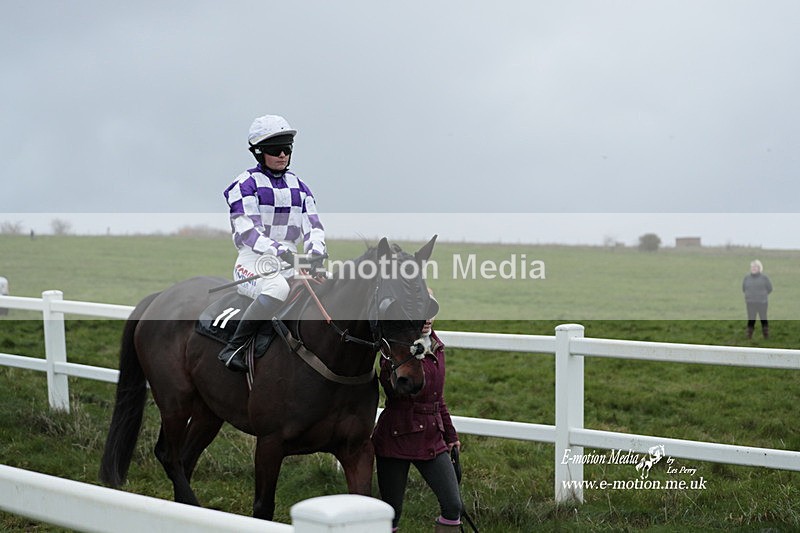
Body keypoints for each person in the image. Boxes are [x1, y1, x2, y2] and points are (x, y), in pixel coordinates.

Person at [218, 114, 326, 372]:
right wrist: (281, 253)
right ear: (258, 153)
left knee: (335, 284)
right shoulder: (244, 184)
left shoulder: (300, 187)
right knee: (277, 288)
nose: (282, 154)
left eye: (287, 148)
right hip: (252, 261)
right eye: (274, 150)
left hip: (292, 259)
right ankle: (235, 347)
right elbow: (248, 231)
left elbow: (314, 226)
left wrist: (316, 253)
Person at [372, 305, 463, 532]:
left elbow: (437, 397)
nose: (426, 317)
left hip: (432, 437)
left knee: (453, 506)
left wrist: (451, 435)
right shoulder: (399, 346)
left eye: (430, 310)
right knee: (391, 514)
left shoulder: (436, 346)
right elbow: (390, 383)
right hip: (396, 434)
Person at [742, 259, 772, 339]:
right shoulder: (747, 278)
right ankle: (749, 335)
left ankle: (766, 334)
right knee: (751, 318)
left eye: (755, 267)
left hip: (762, 302)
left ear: (759, 268)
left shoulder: (764, 278)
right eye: (752, 267)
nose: (753, 269)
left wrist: (762, 295)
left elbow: (770, 288)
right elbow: (744, 288)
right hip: (750, 302)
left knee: (763, 318)